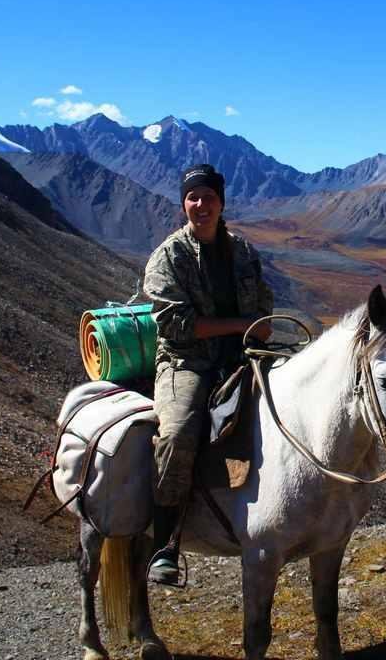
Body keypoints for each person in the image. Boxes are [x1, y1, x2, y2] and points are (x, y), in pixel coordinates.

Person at [142, 163, 273, 585]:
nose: (202, 205)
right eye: (193, 197)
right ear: (184, 204)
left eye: (209, 197)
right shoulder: (168, 257)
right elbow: (177, 324)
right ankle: (165, 543)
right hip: (187, 362)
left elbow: (264, 306)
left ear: (222, 202)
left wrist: (258, 327)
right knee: (179, 433)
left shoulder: (245, 253)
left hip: (244, 354)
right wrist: (241, 324)